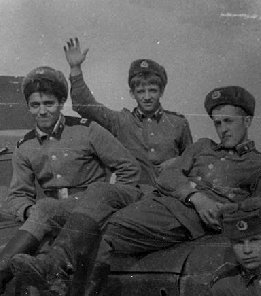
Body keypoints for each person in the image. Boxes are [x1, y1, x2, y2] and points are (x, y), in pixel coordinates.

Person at [13, 85, 261, 296]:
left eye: (228, 122)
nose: (222, 130)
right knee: (100, 191)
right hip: (157, 200)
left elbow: (259, 211)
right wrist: (196, 196)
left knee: (102, 236)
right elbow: (167, 176)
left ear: (247, 121)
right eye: (218, 123)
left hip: (181, 216)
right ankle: (55, 265)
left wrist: (222, 208)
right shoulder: (202, 147)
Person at [0, 65, 140, 296]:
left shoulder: (87, 131)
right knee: (37, 233)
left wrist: (110, 201)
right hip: (52, 216)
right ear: (28, 107)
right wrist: (27, 210)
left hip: (89, 213)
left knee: (44, 211)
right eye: (35, 105)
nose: (42, 111)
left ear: (61, 103)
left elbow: (129, 168)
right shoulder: (25, 147)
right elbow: (18, 195)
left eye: (49, 103)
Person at [63, 37, 192, 188]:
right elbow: (85, 106)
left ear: (161, 91)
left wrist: (178, 161)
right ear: (132, 93)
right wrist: (75, 69)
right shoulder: (120, 121)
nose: (147, 97)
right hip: (133, 195)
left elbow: (192, 161)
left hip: (172, 194)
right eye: (140, 91)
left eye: (152, 90)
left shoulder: (178, 123)